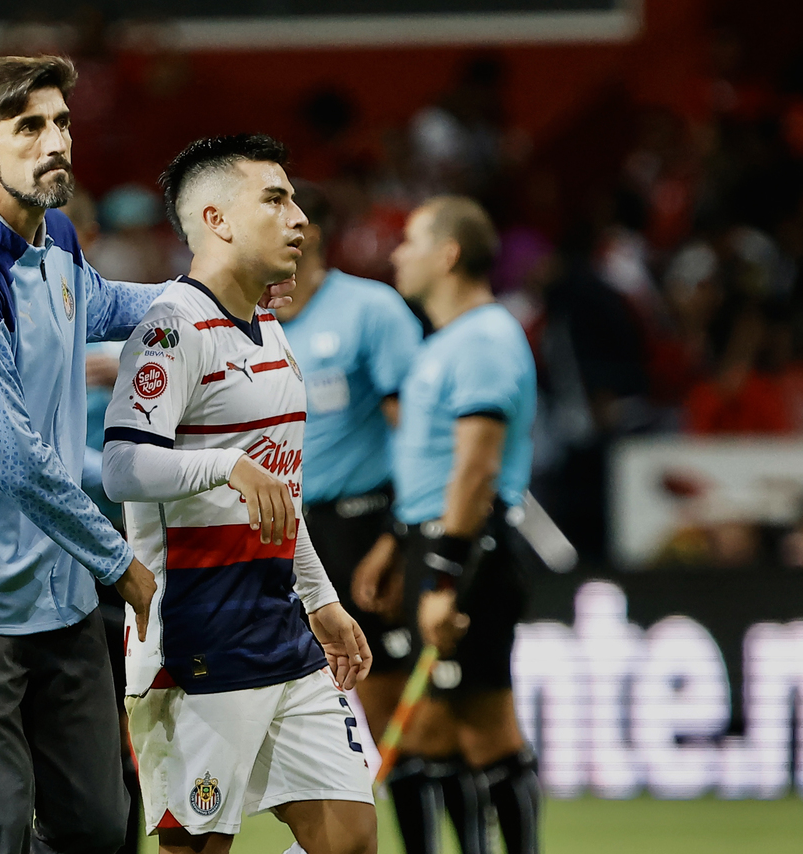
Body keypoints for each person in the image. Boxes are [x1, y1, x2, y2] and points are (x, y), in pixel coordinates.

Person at [0, 57, 293, 854]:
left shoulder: (56, 237)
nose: (56, 141)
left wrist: (224, 297)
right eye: (30, 127)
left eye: (62, 122)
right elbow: (11, 455)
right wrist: (116, 562)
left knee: (100, 829)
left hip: (55, 592)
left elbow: (102, 305)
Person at [100, 134, 377, 854]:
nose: (299, 219)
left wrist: (320, 599)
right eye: (275, 199)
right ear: (216, 219)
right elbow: (122, 467)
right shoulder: (172, 327)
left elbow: (281, 493)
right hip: (197, 638)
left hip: (282, 632)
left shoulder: (271, 331)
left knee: (350, 842)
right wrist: (225, 466)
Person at [386, 196, 541, 854]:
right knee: (435, 732)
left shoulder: (483, 340)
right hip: (431, 539)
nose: (397, 253)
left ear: (448, 255)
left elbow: (476, 469)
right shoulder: (448, 341)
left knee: (487, 729)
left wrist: (444, 576)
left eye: (410, 240)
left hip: (468, 547)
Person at [275, 184, 425, 744]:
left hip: (357, 524)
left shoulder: (370, 309)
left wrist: (398, 537)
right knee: (289, 704)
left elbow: (416, 434)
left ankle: (412, 797)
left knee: (387, 701)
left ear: (308, 232)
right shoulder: (244, 317)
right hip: (277, 530)